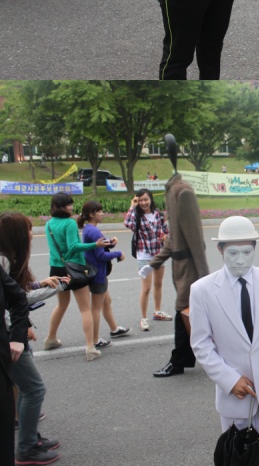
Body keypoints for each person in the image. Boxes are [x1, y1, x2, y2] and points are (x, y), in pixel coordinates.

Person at [190, 211, 259, 442]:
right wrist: (228, 380)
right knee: (238, 453)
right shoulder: (202, 290)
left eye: (247, 252)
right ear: (220, 249)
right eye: (233, 253)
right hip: (235, 396)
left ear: (255, 248)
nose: (240, 260)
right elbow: (201, 343)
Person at [0, 212, 55, 463]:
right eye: (29, 229)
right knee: (34, 389)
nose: (32, 234)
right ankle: (27, 447)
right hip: (11, 338)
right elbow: (11, 302)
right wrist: (18, 332)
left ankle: (30, 438)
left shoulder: (9, 258)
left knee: (26, 388)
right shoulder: (4, 260)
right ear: (18, 235)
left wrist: (42, 284)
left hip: (14, 334)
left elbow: (15, 291)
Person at [154, 132, 208, 381]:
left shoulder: (182, 192)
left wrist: (204, 275)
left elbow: (195, 238)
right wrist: (155, 262)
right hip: (180, 265)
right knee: (190, 312)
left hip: (189, 266)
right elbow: (174, 236)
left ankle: (179, 361)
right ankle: (195, 355)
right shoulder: (172, 191)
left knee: (182, 310)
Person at [45, 190, 97, 356]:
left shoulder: (49, 224)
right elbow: (73, 246)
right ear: (61, 206)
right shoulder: (69, 223)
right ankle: (90, 347)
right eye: (68, 204)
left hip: (56, 268)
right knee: (85, 308)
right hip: (74, 268)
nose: (71, 207)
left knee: (61, 304)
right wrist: (95, 245)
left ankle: (51, 338)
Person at [77, 203, 127, 345]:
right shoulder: (95, 232)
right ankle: (94, 340)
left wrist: (111, 243)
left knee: (107, 301)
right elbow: (100, 255)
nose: (102, 213)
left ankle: (114, 329)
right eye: (99, 211)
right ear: (91, 214)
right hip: (98, 273)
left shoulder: (88, 229)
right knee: (96, 308)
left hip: (93, 271)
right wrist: (118, 253)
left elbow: (99, 245)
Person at [123, 193, 170, 331]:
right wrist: (132, 206)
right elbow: (127, 223)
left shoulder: (159, 215)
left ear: (151, 200)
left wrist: (165, 238)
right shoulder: (136, 216)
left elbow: (166, 231)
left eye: (146, 199)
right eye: (140, 200)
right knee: (146, 288)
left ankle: (157, 311)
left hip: (159, 253)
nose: (143, 203)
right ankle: (143, 318)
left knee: (158, 284)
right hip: (144, 254)